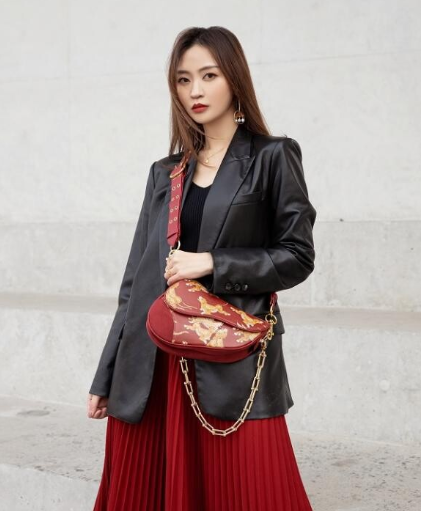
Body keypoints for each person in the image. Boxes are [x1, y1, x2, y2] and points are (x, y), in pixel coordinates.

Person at [88, 26, 316, 511]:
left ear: (233, 78)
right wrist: (106, 375)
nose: (195, 90)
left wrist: (213, 263)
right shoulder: (165, 172)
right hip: (154, 361)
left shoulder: (272, 156)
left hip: (229, 353)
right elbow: (135, 282)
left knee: (251, 490)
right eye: (183, 79)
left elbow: (297, 255)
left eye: (209, 75)